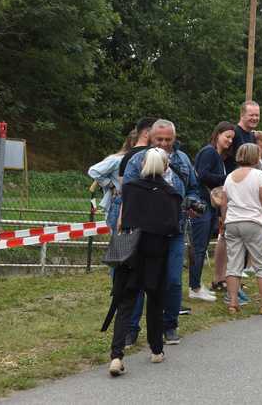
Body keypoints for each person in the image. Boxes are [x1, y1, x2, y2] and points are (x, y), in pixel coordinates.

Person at [123, 119, 200, 347]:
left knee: (173, 280)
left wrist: (192, 203)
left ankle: (169, 325)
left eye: (168, 139)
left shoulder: (183, 160)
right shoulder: (137, 160)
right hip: (143, 231)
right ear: (150, 138)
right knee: (137, 281)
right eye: (160, 139)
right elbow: (128, 191)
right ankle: (131, 329)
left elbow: (194, 188)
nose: (164, 144)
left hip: (174, 229)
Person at [107, 148, 182, 376]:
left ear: (142, 165)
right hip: (156, 253)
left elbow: (124, 219)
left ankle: (117, 355)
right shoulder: (171, 194)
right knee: (155, 301)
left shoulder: (129, 189)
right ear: (165, 167)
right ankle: (156, 349)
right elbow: (173, 228)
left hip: (131, 251)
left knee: (125, 302)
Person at [221, 143, 262, 315]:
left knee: (233, 264)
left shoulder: (230, 177)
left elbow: (224, 204)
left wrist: (225, 222)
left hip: (232, 222)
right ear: (256, 157)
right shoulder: (259, 175)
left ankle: (233, 303)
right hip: (254, 222)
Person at [212, 101, 261, 294]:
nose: (255, 118)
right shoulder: (235, 133)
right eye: (251, 115)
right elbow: (222, 156)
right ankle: (219, 278)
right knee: (225, 235)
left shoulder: (251, 135)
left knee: (235, 238)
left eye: (257, 115)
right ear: (242, 114)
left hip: (244, 190)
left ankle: (231, 278)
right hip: (232, 189)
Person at [190, 121, 236, 302]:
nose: (230, 141)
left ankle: (197, 284)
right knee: (199, 247)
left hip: (208, 205)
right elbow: (202, 175)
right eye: (227, 136)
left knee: (201, 247)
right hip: (201, 203)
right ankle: (194, 287)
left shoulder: (217, 156)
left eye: (232, 138)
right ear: (217, 134)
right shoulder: (209, 152)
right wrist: (227, 178)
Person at [88, 129, 137, 231]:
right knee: (119, 241)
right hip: (117, 204)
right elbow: (93, 171)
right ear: (133, 143)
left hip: (133, 204)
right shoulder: (117, 159)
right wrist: (111, 185)